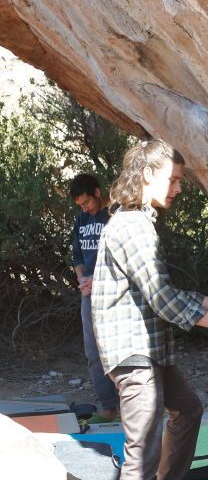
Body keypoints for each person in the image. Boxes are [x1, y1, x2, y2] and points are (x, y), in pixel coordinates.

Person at [92, 139, 208, 480]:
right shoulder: (131, 226)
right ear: (147, 175)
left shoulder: (139, 222)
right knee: (141, 452)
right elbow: (162, 298)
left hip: (150, 352)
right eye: (172, 179)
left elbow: (157, 290)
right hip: (134, 354)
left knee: (187, 410)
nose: (179, 187)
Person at [69, 173, 119, 423]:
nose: (85, 208)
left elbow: (121, 257)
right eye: (80, 205)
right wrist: (82, 280)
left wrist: (96, 281)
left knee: (119, 347)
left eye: (87, 202)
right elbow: (77, 255)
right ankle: (108, 407)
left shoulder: (115, 215)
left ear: (97, 193)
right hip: (88, 292)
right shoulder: (80, 220)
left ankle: (131, 405)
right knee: (93, 351)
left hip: (114, 291)